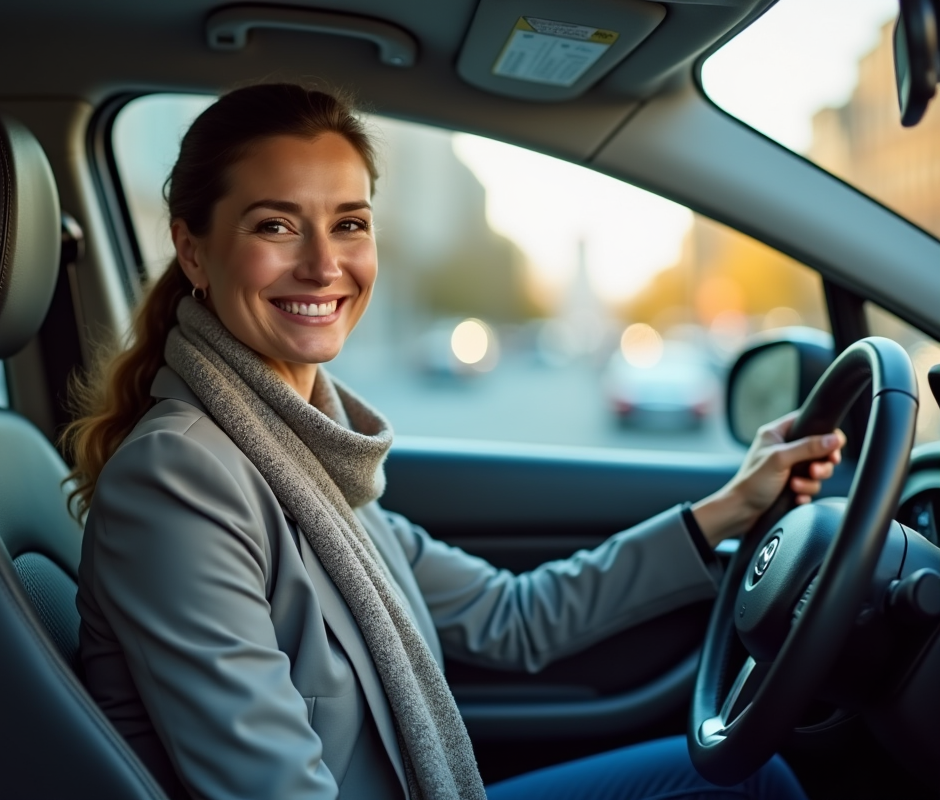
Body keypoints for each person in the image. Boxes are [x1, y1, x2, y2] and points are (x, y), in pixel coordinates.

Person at [65, 83, 842, 800]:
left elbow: (513, 615)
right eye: (275, 224)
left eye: (349, 223)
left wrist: (729, 510)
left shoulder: (307, 457)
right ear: (193, 249)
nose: (323, 263)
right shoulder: (180, 479)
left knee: (747, 778)